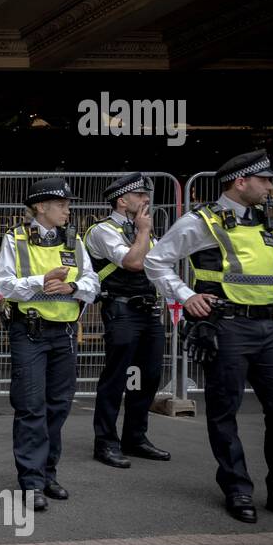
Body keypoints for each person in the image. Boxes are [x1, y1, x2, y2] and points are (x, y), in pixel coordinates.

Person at [145, 150, 273, 528]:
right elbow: (155, 260)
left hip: (268, 329)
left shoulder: (263, 222)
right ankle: (236, 487)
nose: (271, 187)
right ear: (241, 181)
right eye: (265, 180)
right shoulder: (201, 221)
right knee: (224, 412)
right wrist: (186, 296)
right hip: (226, 326)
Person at [0, 177, 99, 512]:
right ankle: (31, 481)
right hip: (30, 332)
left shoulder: (74, 240)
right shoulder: (15, 239)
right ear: (41, 207)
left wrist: (72, 289)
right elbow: (5, 286)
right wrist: (42, 280)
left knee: (58, 405)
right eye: (62, 204)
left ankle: (47, 473)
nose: (68, 210)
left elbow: (93, 282)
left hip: (65, 332)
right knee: (30, 406)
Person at [83, 173, 171, 470]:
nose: (147, 200)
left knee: (149, 376)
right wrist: (144, 231)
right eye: (140, 195)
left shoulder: (141, 230)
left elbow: (158, 266)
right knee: (116, 377)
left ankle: (135, 437)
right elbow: (134, 262)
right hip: (121, 310)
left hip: (148, 311)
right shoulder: (103, 230)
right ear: (123, 200)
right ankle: (106, 442)